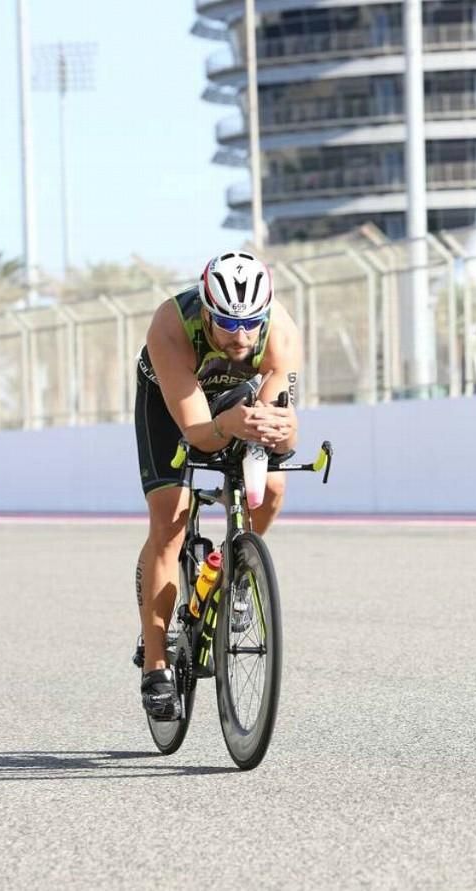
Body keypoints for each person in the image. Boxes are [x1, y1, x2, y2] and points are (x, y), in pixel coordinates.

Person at [134, 250, 302, 719]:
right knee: (170, 518)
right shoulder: (171, 326)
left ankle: (237, 571)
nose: (241, 336)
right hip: (172, 402)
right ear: (207, 311)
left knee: (272, 487)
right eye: (227, 323)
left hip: (235, 397)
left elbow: (287, 431)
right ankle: (156, 663)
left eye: (251, 323)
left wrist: (281, 429)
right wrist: (227, 425)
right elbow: (198, 434)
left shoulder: (281, 332)